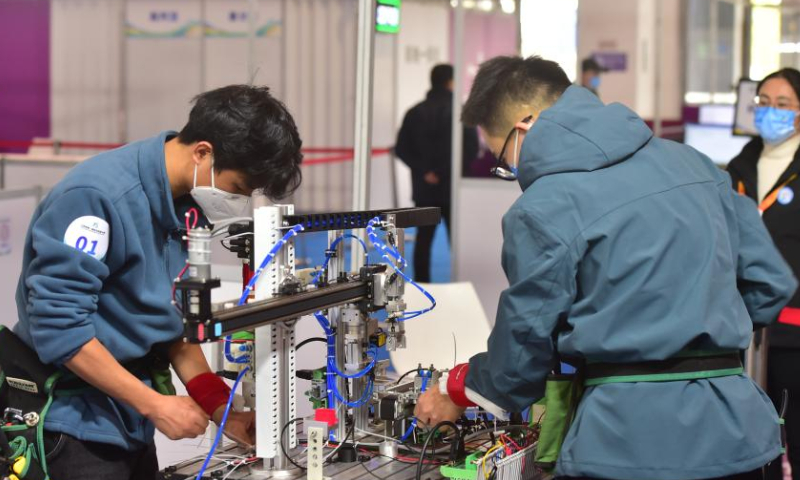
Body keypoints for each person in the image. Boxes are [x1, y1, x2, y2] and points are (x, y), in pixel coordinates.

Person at [414, 55, 796, 480]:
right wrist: (703, 325)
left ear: (524, 127)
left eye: (503, 158)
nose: (511, 171)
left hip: (624, 441)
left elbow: (521, 354)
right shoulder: (698, 165)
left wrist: (458, 388)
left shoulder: (542, 207)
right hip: (736, 434)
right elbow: (771, 281)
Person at [8, 85, 303, 479]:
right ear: (203, 152)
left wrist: (222, 411)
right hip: (71, 425)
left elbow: (167, 323)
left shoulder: (185, 205)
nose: (239, 202)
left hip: (126, 418)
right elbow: (60, 329)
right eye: (237, 189)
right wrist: (155, 405)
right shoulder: (96, 198)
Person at [728, 68, 800, 480]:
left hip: (794, 331)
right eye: (763, 103)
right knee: (753, 437)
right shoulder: (740, 166)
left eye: (783, 104)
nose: (771, 112)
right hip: (745, 329)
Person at [394, 64, 478, 282]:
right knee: (457, 240)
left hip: (425, 189)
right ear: (451, 82)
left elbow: (401, 148)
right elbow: (471, 150)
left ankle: (422, 285)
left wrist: (425, 172)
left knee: (423, 240)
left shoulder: (414, 112)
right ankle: (462, 283)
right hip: (452, 188)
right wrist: (444, 172)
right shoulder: (461, 113)